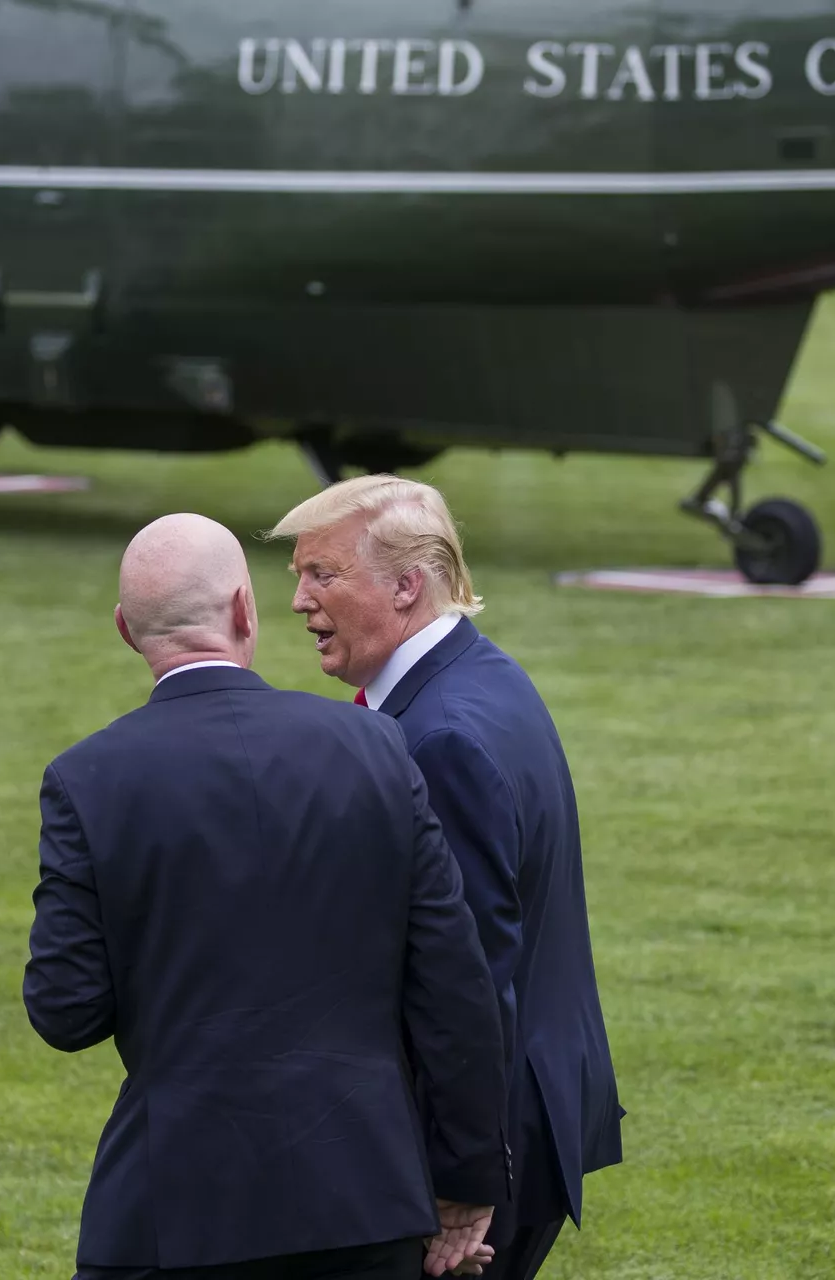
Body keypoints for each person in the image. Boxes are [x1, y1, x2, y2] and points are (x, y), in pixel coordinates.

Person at [23, 513, 512, 1280]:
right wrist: (468, 1180)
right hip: (365, 1197)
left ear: (127, 630)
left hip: (175, 1207)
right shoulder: (373, 748)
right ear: (245, 608)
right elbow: (454, 986)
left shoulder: (89, 779)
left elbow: (65, 1008)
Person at [270, 477, 625, 1280]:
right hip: (521, 1112)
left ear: (405, 585)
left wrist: (464, 1180)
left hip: (482, 1152)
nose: (298, 600)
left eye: (322, 574)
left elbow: (466, 975)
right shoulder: (479, 679)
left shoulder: (441, 743)